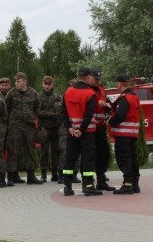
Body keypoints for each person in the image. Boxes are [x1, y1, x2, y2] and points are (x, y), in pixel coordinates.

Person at [61, 67, 100, 196]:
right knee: (88, 159)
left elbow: (63, 113)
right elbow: (89, 115)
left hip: (72, 132)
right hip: (87, 132)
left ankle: (67, 186)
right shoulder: (90, 93)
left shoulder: (67, 93)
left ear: (78, 76)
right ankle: (88, 186)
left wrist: (70, 128)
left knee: (70, 159)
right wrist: (81, 130)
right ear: (88, 77)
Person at [5, 71, 44, 185]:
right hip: (15, 125)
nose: (16, 83)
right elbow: (6, 108)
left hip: (28, 125)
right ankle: (11, 177)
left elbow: (37, 106)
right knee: (13, 150)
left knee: (30, 150)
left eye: (18, 81)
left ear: (25, 81)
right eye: (15, 81)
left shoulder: (33, 92)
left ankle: (31, 176)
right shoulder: (11, 93)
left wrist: (33, 117)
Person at [109, 74, 142, 194]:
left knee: (124, 159)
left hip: (123, 134)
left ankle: (127, 185)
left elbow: (121, 115)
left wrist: (110, 121)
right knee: (132, 158)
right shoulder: (134, 96)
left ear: (119, 84)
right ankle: (134, 184)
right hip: (132, 134)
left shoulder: (124, 98)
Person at [90, 69, 114, 191]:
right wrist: (96, 103)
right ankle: (88, 183)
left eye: (99, 79)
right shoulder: (86, 90)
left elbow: (107, 103)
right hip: (89, 128)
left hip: (100, 127)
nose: (97, 81)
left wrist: (109, 107)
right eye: (95, 79)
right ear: (89, 77)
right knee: (90, 155)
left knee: (104, 154)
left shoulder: (101, 89)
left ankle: (101, 180)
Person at [38, 76, 63, 183]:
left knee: (55, 151)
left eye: (49, 84)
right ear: (42, 84)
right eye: (45, 84)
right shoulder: (38, 97)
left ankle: (54, 173)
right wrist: (50, 114)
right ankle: (43, 174)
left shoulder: (57, 97)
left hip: (55, 127)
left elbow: (61, 111)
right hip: (44, 127)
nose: (47, 86)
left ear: (52, 85)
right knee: (44, 151)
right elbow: (37, 111)